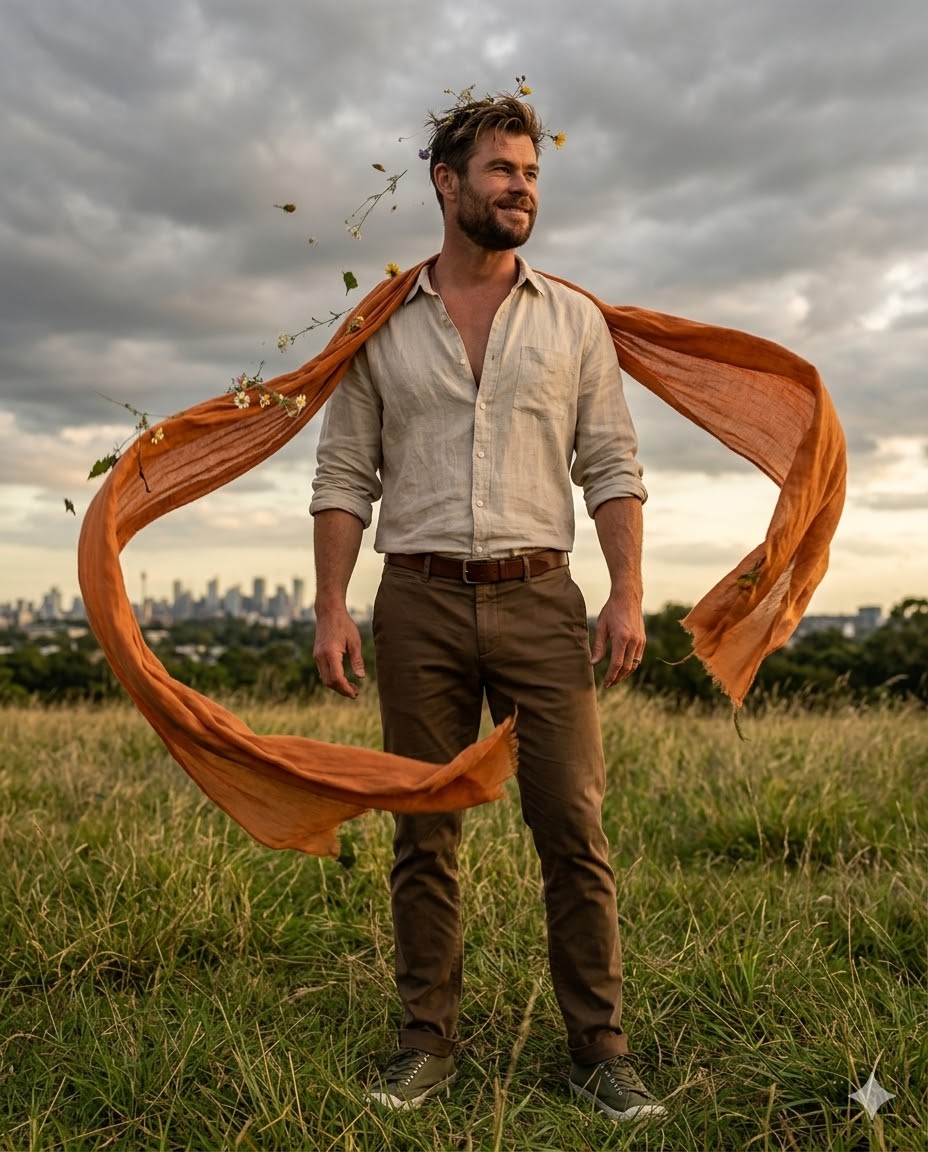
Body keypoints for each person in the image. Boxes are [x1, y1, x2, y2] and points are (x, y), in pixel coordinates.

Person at [310, 93, 665, 1123]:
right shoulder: (377, 322)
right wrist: (334, 607)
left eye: (532, 174)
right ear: (446, 183)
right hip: (414, 601)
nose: (522, 188)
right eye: (503, 171)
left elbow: (611, 465)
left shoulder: (573, 321)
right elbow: (342, 476)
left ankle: (599, 1049)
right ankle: (424, 1041)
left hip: (541, 598)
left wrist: (627, 592)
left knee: (572, 827)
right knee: (423, 829)